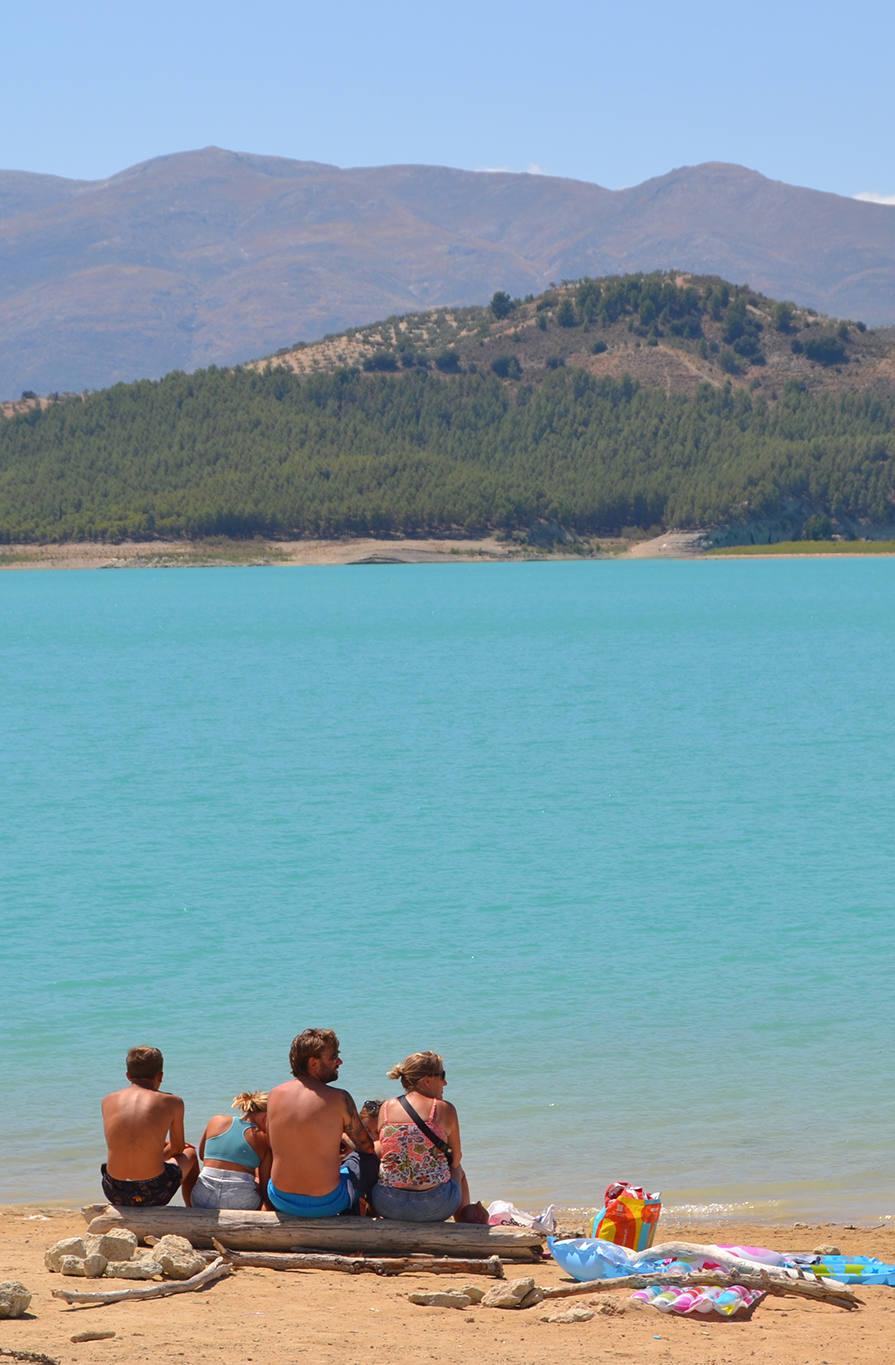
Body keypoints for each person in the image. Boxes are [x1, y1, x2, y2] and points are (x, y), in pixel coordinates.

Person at [266, 1029, 378, 1217]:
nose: (339, 1062)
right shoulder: (339, 1098)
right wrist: (343, 1137)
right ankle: (356, 1217)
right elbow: (366, 1147)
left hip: (280, 1198)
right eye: (334, 1056)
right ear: (313, 1062)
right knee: (369, 1161)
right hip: (327, 1202)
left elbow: (275, 1142)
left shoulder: (275, 1094)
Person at [370, 1050, 469, 1222]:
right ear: (427, 1080)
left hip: (387, 1204)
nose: (445, 1083)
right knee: (458, 1169)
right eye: (442, 1076)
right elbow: (456, 1159)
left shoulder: (386, 1108)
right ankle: (464, 1226)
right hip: (435, 1206)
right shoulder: (444, 1109)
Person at [100, 1045, 199, 1207]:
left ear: (128, 1075)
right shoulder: (173, 1102)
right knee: (190, 1154)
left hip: (115, 1190)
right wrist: (164, 1152)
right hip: (153, 1193)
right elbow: (178, 1149)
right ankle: (193, 1210)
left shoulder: (108, 1100)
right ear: (160, 1076)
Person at [191, 1091, 271, 1210]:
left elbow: (202, 1155)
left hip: (202, 1198)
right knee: (259, 1181)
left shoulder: (217, 1120)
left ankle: (190, 1209)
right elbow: (265, 1186)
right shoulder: (263, 1138)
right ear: (266, 1116)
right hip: (240, 1201)